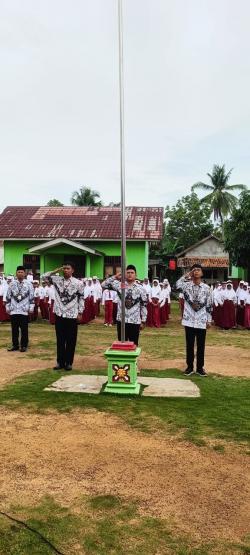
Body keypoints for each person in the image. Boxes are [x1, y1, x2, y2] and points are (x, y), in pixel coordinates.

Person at [42, 262, 84, 370]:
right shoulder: (57, 280)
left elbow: (81, 298)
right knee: (60, 339)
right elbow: (44, 276)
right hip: (59, 313)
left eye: (68, 268)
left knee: (71, 340)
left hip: (72, 314)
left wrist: (80, 312)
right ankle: (60, 362)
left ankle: (69, 362)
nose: (65, 270)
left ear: (72, 270)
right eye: (64, 268)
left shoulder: (78, 283)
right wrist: (57, 270)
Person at [176, 264, 212, 376]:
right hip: (189, 320)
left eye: (198, 270)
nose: (196, 272)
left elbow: (209, 305)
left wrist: (209, 320)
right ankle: (190, 367)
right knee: (189, 345)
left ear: (202, 273)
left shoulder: (207, 288)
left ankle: (200, 368)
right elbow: (177, 285)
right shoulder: (186, 286)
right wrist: (186, 275)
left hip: (201, 320)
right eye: (194, 270)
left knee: (201, 345)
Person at [102, 264, 147, 346]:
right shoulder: (119, 285)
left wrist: (143, 320)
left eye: (132, 272)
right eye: (128, 272)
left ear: (136, 275)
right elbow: (103, 284)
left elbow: (143, 305)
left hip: (135, 321)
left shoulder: (141, 289)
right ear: (125, 274)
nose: (130, 274)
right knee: (122, 345)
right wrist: (115, 276)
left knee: (134, 345)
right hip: (121, 321)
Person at [5, 265, 34, 352]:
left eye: (22, 272)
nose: (20, 273)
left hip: (24, 310)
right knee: (14, 329)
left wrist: (31, 307)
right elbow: (8, 296)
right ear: (16, 273)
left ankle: (24, 345)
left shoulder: (29, 284)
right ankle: (15, 345)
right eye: (18, 272)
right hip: (14, 310)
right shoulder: (12, 284)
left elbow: (31, 297)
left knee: (24, 329)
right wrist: (7, 306)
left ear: (25, 274)